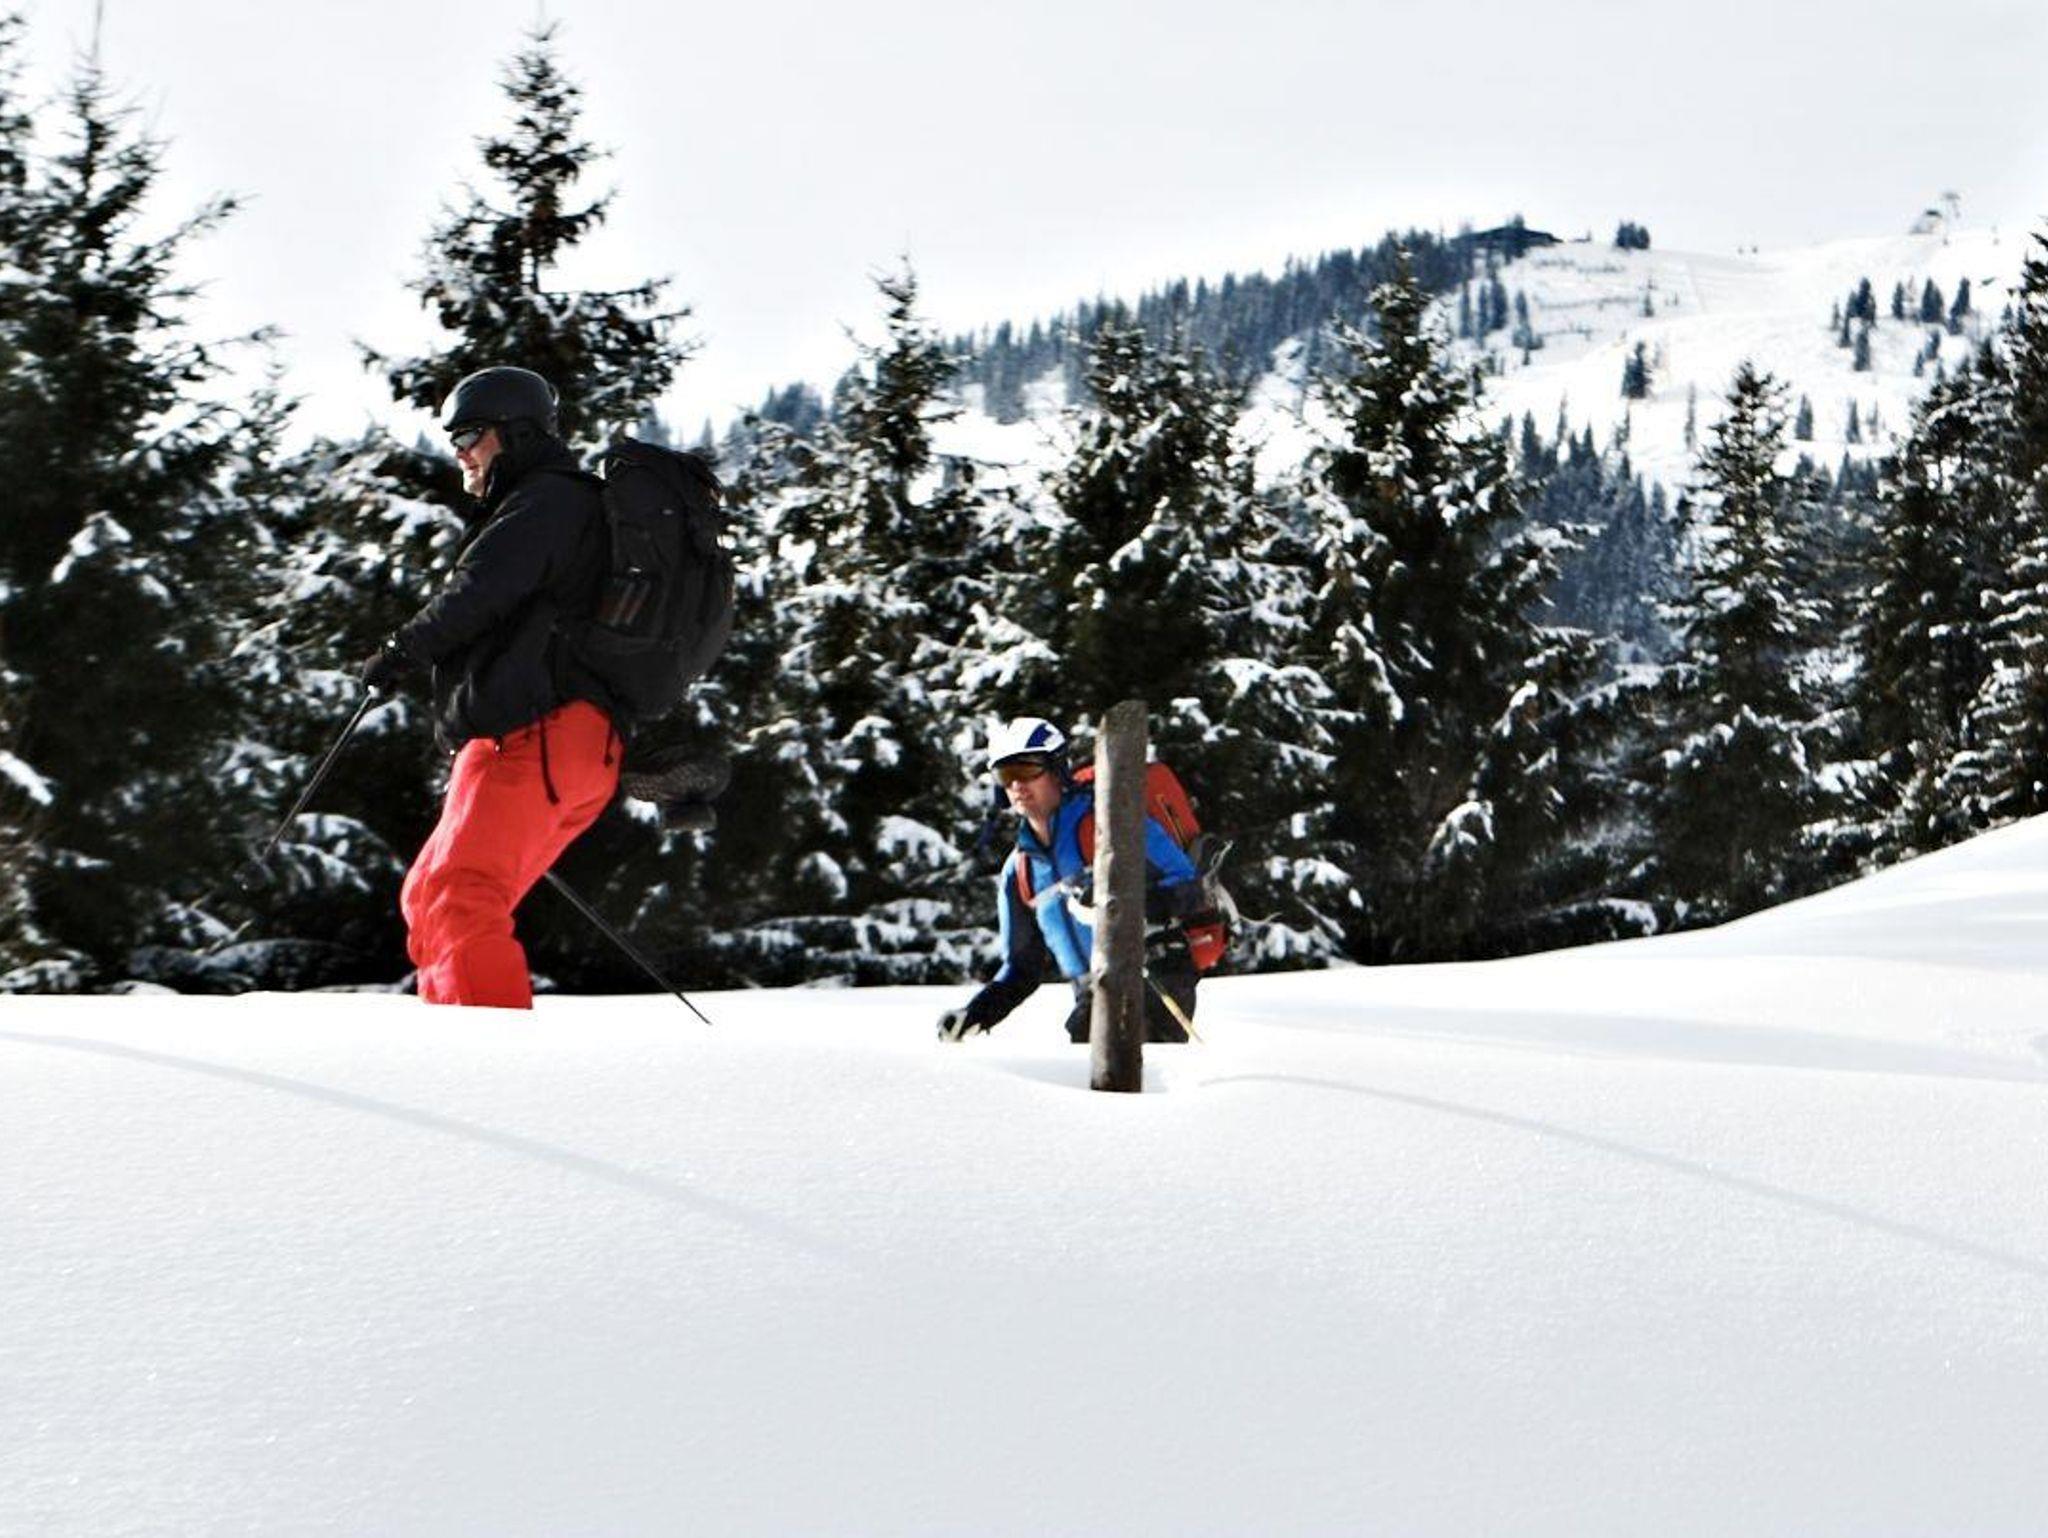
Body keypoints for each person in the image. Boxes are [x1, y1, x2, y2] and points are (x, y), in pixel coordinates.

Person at [358, 365, 622, 1009]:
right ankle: (455, 1046)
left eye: (470, 435)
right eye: (454, 440)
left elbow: (478, 591)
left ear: (517, 432)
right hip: (565, 742)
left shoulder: (546, 502)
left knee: (459, 896)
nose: (460, 453)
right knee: (429, 895)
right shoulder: (564, 507)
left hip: (534, 736)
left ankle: (492, 1060)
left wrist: (400, 652)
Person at [938, 717, 1207, 1045]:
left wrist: (1116, 906)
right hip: (1093, 992)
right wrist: (976, 1013)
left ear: (1057, 770)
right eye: (1006, 775)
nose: (1017, 785)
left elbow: (1188, 888)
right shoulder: (1020, 869)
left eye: (1027, 769)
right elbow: (1021, 969)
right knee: (1089, 1050)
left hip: (1156, 973)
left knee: (1122, 1062)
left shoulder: (1111, 823)